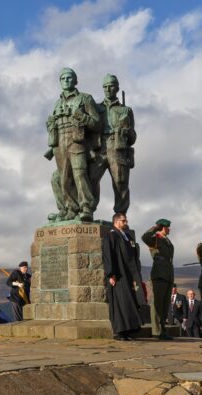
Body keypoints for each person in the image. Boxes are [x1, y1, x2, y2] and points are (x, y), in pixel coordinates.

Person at [46, 67, 100, 222]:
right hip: (59, 144)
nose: (66, 81)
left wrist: (81, 116)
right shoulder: (57, 104)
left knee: (80, 173)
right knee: (63, 179)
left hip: (77, 141)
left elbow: (97, 124)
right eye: (63, 78)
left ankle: (86, 208)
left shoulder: (85, 99)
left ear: (76, 81)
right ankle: (70, 209)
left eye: (69, 78)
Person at [89, 74, 136, 215]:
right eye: (105, 87)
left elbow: (133, 137)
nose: (108, 89)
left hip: (118, 147)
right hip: (99, 147)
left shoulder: (126, 110)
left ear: (117, 88)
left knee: (120, 182)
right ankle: (89, 209)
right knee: (91, 178)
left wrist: (126, 131)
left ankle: (120, 214)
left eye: (111, 86)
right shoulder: (96, 108)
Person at [102, 213, 144, 340]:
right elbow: (108, 255)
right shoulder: (111, 235)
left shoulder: (127, 237)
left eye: (126, 220)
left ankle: (129, 330)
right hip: (118, 275)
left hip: (129, 275)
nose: (126, 223)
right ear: (116, 221)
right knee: (121, 302)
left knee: (129, 302)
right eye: (123, 221)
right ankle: (120, 332)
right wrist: (111, 274)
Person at [142, 218, 174, 340]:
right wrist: (155, 227)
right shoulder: (155, 238)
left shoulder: (167, 241)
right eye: (167, 227)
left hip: (168, 274)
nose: (169, 229)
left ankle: (163, 330)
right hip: (159, 273)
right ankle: (156, 331)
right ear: (162, 227)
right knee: (157, 303)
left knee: (165, 304)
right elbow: (144, 237)